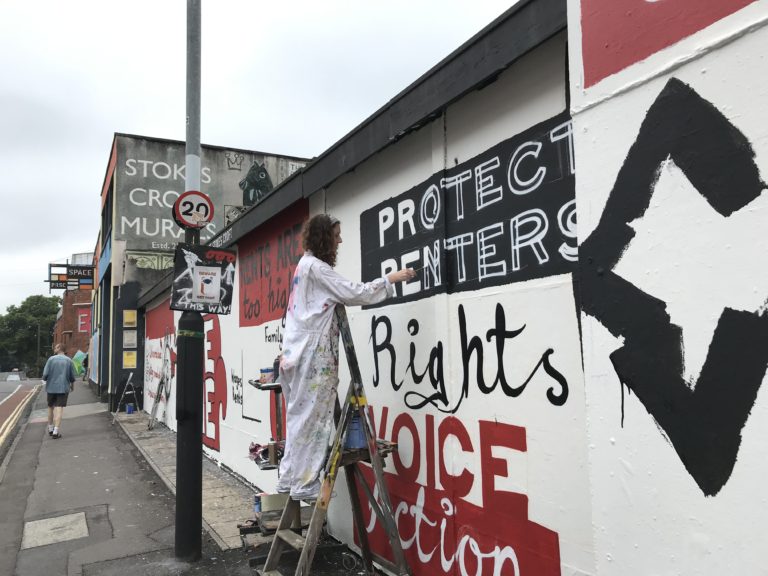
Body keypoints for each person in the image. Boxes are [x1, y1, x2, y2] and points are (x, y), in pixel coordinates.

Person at [276, 214, 416, 500]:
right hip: (313, 353)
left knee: (298, 418)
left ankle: (289, 479)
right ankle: (304, 484)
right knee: (313, 420)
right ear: (324, 237)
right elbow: (356, 293)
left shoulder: (304, 266)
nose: (340, 241)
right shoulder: (317, 269)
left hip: (295, 350)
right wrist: (390, 279)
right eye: (336, 235)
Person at [42, 343, 76, 439]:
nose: (54, 348)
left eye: (56, 347)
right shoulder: (69, 360)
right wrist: (72, 386)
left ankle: (50, 428)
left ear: (60, 348)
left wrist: (45, 379)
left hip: (51, 388)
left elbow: (45, 374)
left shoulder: (51, 359)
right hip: (63, 387)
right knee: (59, 408)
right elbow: (72, 376)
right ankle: (56, 431)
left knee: (50, 407)